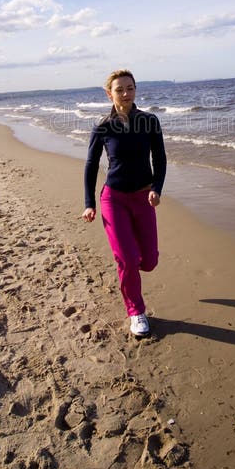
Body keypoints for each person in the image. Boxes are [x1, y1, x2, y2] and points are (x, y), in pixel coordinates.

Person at [82, 70, 166, 338]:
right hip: (113, 199)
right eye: (120, 89)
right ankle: (136, 312)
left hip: (143, 197)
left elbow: (160, 159)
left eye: (130, 88)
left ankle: (129, 266)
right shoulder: (103, 126)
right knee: (128, 259)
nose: (126, 93)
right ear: (110, 94)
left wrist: (156, 188)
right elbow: (92, 164)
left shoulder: (149, 121)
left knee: (149, 261)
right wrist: (89, 202)